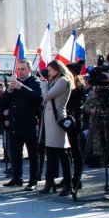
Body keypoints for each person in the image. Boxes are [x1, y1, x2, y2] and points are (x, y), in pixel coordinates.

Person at [1, 59, 43, 189]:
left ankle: (33, 180)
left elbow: (37, 98)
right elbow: (3, 102)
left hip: (29, 122)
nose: (20, 72)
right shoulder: (15, 84)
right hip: (15, 123)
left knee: (32, 154)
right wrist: (8, 91)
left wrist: (21, 87)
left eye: (23, 69)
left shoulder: (35, 83)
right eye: (18, 69)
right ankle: (17, 177)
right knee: (15, 153)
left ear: (30, 70)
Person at [38, 60, 74, 195]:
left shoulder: (63, 81)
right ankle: (49, 181)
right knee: (51, 152)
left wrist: (43, 83)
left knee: (61, 152)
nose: (48, 72)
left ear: (58, 69)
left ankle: (67, 184)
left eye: (51, 70)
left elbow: (47, 95)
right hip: (50, 119)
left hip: (57, 119)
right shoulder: (55, 81)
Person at [65, 62, 86, 192]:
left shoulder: (78, 87)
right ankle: (68, 178)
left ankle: (77, 178)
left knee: (75, 151)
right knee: (68, 150)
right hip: (68, 120)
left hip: (75, 121)